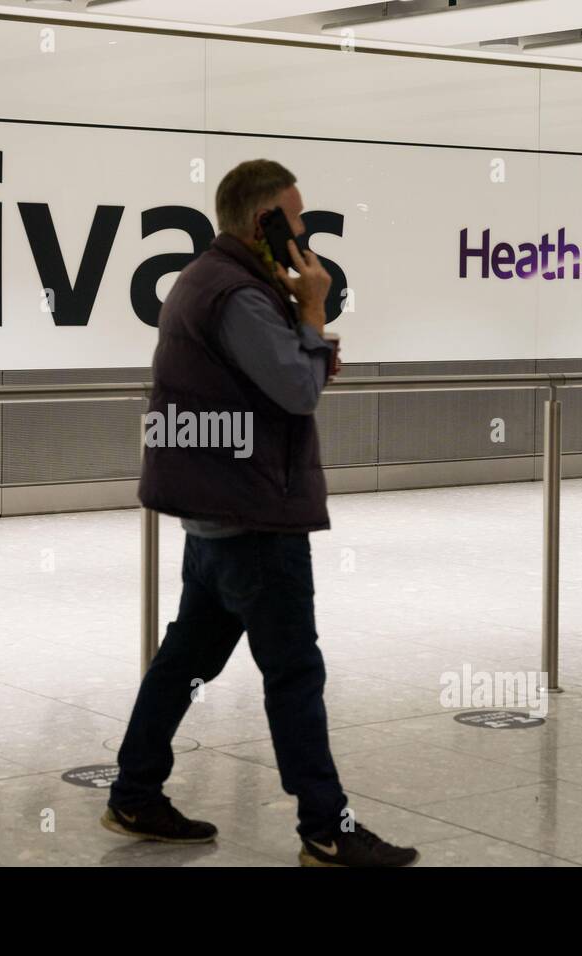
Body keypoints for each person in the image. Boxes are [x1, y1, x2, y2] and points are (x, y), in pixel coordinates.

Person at [102, 159, 418, 867]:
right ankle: (325, 829)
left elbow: (277, 377)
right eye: (295, 219)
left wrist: (300, 331)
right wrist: (311, 309)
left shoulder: (208, 280)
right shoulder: (239, 296)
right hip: (253, 518)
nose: (305, 232)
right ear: (263, 223)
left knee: (185, 657)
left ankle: (134, 790)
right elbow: (298, 394)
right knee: (294, 672)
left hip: (213, 513)